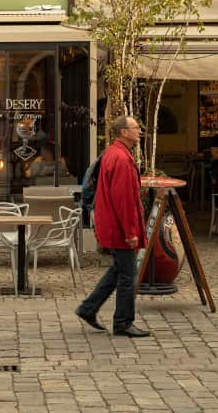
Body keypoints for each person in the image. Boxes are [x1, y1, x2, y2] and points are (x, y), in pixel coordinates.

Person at [76, 115, 150, 338]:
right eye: (136, 128)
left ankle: (88, 308)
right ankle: (123, 322)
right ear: (124, 132)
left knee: (118, 270)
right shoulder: (121, 159)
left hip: (111, 223)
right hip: (120, 227)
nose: (140, 131)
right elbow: (124, 200)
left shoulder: (113, 153)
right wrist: (130, 233)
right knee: (128, 276)